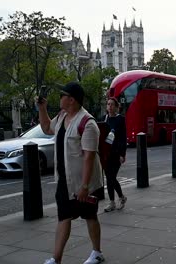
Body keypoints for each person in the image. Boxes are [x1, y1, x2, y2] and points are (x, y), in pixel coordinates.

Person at [37, 82, 105, 264]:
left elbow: (89, 157)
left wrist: (84, 186)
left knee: (90, 216)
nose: (59, 97)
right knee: (64, 217)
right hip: (64, 181)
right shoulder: (61, 117)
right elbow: (46, 128)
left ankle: (96, 252)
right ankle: (56, 258)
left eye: (62, 94)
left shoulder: (87, 123)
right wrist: (42, 109)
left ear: (72, 100)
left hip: (84, 183)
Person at [103, 97, 128, 212]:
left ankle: (121, 197)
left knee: (112, 177)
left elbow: (123, 138)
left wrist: (122, 154)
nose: (109, 106)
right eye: (108, 104)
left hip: (117, 153)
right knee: (109, 178)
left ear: (116, 107)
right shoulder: (105, 119)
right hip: (106, 153)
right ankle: (112, 202)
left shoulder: (120, 119)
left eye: (112, 104)